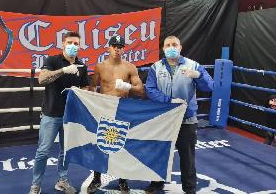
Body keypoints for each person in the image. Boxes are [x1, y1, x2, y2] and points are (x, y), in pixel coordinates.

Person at [144, 35, 214, 194]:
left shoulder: (193, 65)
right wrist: (169, 101)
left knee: (187, 157)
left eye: (174, 44)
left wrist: (199, 75)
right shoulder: (156, 67)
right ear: (163, 48)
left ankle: (190, 189)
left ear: (180, 47)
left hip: (186, 119)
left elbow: (210, 86)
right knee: (159, 153)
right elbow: (150, 89)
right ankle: (156, 183)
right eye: (167, 45)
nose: (171, 48)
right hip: (163, 118)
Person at [29, 31, 89, 194]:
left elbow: (85, 88)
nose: (73, 46)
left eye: (76, 44)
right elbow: (42, 79)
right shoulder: (53, 60)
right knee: (43, 150)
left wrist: (81, 92)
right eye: (70, 42)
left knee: (65, 150)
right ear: (63, 44)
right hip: (51, 114)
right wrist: (63, 70)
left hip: (70, 116)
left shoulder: (82, 66)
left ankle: (62, 180)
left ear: (80, 46)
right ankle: (36, 184)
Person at [87, 35, 145, 194]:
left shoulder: (130, 67)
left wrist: (126, 85)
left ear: (123, 49)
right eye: (114, 46)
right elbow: (92, 87)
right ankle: (96, 178)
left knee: (122, 145)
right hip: (104, 109)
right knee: (99, 144)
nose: (117, 49)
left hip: (122, 109)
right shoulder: (100, 66)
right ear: (109, 48)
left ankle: (123, 180)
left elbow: (140, 90)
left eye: (120, 46)